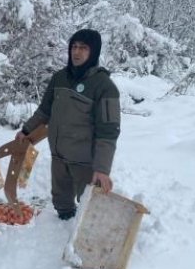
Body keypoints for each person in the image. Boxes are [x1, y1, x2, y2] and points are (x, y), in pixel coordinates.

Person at [17, 29, 120, 220]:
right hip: (59, 156)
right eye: (74, 46)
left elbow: (108, 133)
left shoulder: (104, 87)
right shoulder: (60, 78)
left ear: (94, 52)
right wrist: (26, 130)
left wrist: (102, 169)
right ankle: (63, 223)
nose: (77, 52)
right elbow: (44, 110)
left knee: (90, 204)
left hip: (85, 161)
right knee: (61, 202)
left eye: (83, 48)